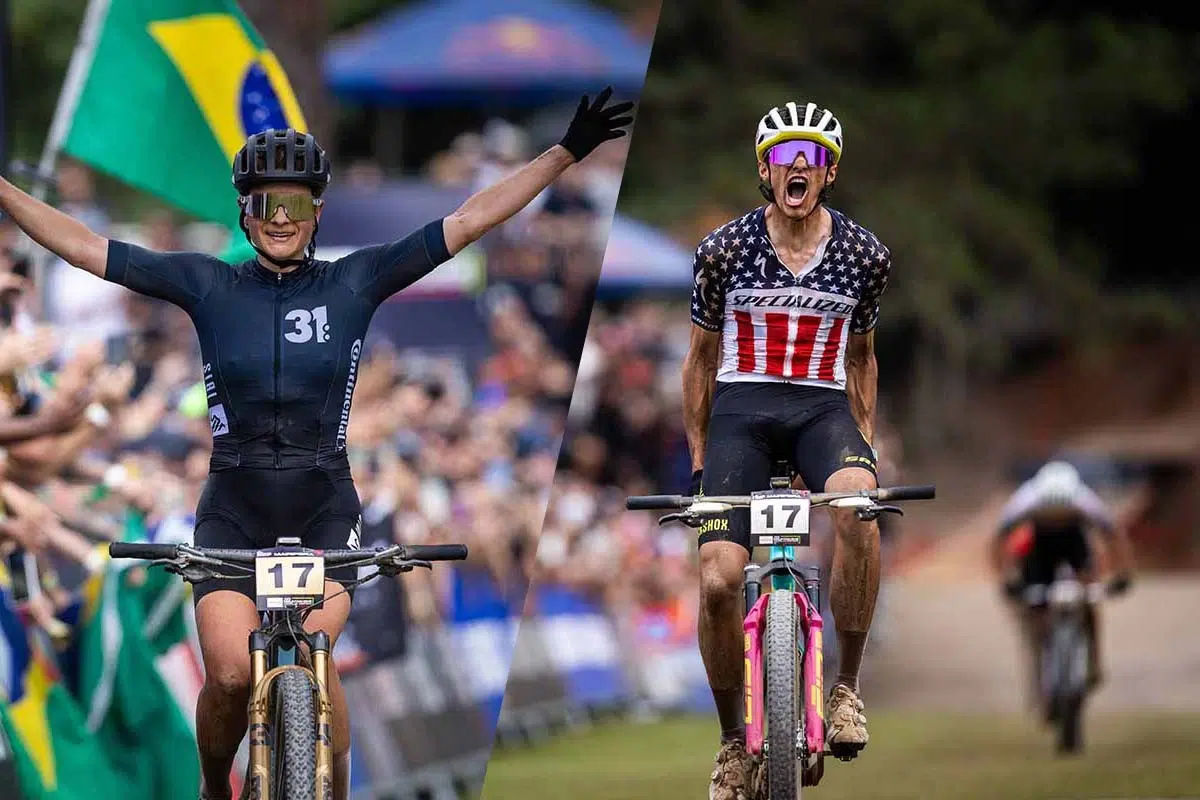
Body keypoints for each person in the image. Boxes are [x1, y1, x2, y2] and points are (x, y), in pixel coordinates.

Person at [0, 86, 632, 800]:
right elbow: (85, 246)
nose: (280, 218)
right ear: (244, 210)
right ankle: (216, 784)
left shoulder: (355, 281)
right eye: (266, 203)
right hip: (231, 512)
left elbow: (467, 221)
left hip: (323, 508)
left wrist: (563, 153)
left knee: (320, 664)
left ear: (317, 213)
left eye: (295, 204)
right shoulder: (207, 285)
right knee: (233, 677)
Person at [680, 100, 891, 798]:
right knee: (715, 579)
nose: (796, 167)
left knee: (858, 512)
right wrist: (701, 464)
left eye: (811, 158)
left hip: (820, 409)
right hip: (741, 411)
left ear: (828, 173)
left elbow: (862, 357)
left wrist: (865, 445)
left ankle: (846, 691)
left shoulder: (865, 255)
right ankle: (732, 746)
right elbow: (699, 361)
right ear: (764, 171)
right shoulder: (722, 251)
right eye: (782, 157)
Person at [990, 460, 1134, 714]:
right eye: (1050, 515)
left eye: (1062, 514)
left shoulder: (1086, 503)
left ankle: (1093, 660)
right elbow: (998, 541)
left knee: (1089, 597)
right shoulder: (1024, 502)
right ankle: (1039, 677)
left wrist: (1122, 575)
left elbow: (1114, 536)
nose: (1056, 519)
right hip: (1038, 551)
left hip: (1075, 546)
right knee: (1033, 613)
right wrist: (1005, 580)